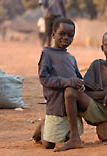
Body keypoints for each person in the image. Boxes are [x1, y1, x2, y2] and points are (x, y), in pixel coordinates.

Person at [33, 29, 107, 152]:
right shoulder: (96, 66)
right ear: (102, 48)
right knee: (70, 91)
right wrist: (106, 92)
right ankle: (75, 138)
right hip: (96, 112)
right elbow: (85, 92)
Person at [36, 17, 85, 151]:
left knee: (68, 138)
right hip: (56, 106)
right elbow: (44, 78)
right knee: (48, 145)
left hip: (72, 111)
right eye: (62, 34)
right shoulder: (47, 53)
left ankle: (63, 133)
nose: (66, 38)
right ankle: (42, 126)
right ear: (53, 35)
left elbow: (78, 78)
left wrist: (81, 84)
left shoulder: (71, 58)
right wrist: (67, 82)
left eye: (70, 35)